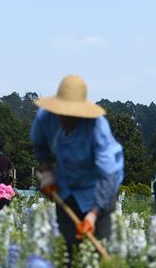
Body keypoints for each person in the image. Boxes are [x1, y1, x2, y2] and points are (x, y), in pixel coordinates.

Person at [31, 75, 124, 252]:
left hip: (98, 189)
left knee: (98, 250)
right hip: (66, 189)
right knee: (69, 250)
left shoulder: (97, 127)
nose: (65, 117)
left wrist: (93, 215)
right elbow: (39, 145)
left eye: (70, 113)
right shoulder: (45, 118)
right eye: (62, 112)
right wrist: (47, 172)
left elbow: (108, 174)